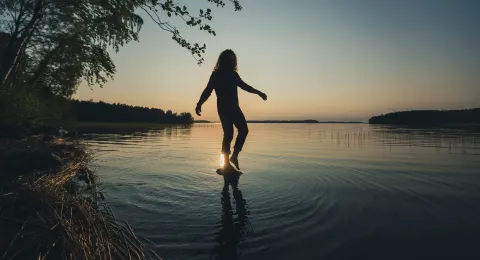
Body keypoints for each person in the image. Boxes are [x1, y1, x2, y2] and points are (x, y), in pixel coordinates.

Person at [196, 49, 267, 170]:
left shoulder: (234, 75)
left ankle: (234, 155)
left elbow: (245, 86)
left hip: (235, 108)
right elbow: (208, 90)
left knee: (244, 130)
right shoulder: (216, 74)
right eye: (228, 59)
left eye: (232, 59)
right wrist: (199, 103)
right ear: (222, 60)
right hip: (223, 109)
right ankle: (226, 163)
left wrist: (258, 92)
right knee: (228, 134)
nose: (230, 61)